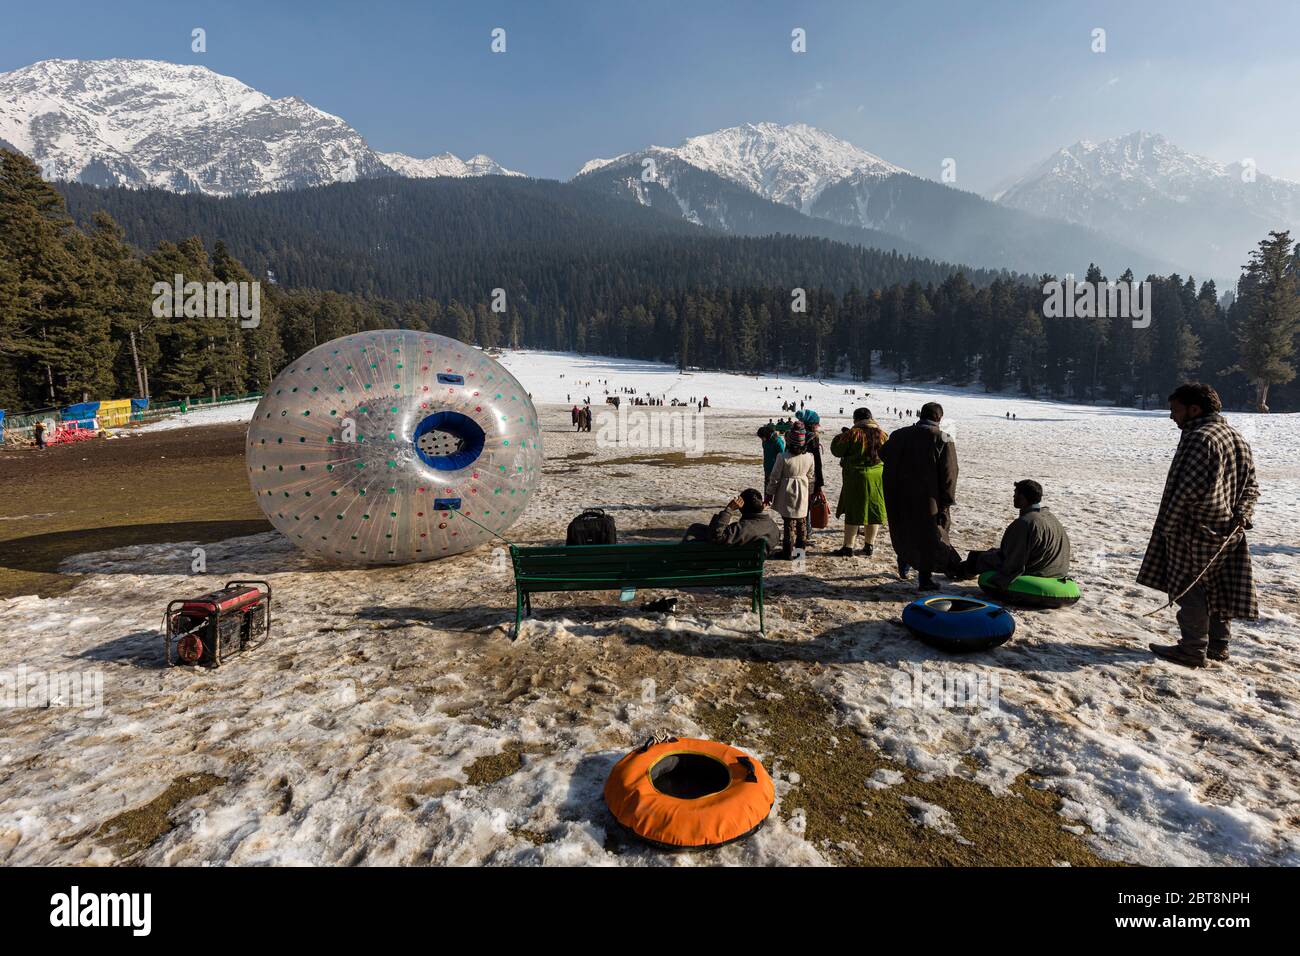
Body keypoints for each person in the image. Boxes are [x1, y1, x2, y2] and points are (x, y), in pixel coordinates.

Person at [1138, 383, 1259, 668]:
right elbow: (1251, 486)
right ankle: (1218, 646)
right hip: (1228, 530)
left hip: (1191, 530)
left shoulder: (1198, 438)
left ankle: (1192, 649)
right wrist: (1242, 514)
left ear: (1195, 410)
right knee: (1217, 587)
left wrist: (1167, 530)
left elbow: (1187, 491)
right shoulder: (1237, 437)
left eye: (1175, 411)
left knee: (1189, 589)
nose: (1172, 417)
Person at [880, 401, 963, 590]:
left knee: (906, 529)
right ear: (939, 418)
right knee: (930, 536)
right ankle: (925, 580)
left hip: (899, 494)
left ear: (920, 415)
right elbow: (950, 472)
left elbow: (883, 454)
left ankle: (904, 560)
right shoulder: (943, 438)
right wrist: (947, 501)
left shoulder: (899, 434)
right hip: (929, 498)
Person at [958, 480, 1071, 587]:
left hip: (1036, 571)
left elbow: (1013, 563)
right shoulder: (1049, 516)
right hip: (1054, 570)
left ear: (1022, 498)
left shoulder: (1025, 523)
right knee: (991, 553)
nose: (1013, 497)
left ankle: (958, 571)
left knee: (978, 558)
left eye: (1015, 494)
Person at [830, 408, 888, 557]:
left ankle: (848, 547)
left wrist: (842, 435)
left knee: (854, 510)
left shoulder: (852, 434)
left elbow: (836, 450)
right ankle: (869, 546)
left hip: (856, 477)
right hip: (877, 477)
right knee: (873, 510)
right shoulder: (882, 434)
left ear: (856, 419)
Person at [765, 419, 815, 560]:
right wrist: (810, 492)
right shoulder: (809, 457)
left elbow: (774, 477)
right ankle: (800, 553)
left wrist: (769, 494)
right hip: (803, 490)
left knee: (789, 523)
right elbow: (811, 477)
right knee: (802, 522)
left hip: (787, 491)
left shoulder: (783, 457)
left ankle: (787, 552)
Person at [682, 489, 781, 554]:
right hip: (750, 564)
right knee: (698, 528)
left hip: (727, 564)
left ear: (742, 508)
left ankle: (683, 558)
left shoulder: (743, 529)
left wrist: (729, 509)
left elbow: (716, 536)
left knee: (695, 530)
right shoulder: (774, 529)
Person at [796, 410, 825, 549]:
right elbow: (817, 462)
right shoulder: (812, 437)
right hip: (809, 477)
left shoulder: (794, 435)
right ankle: (805, 534)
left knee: (797, 506)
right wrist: (819, 482)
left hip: (795, 474)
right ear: (812, 424)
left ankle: (798, 533)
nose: (818, 425)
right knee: (806, 506)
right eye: (816, 423)